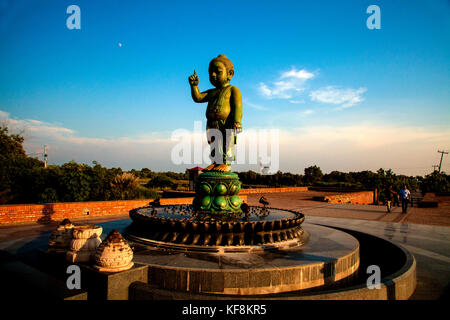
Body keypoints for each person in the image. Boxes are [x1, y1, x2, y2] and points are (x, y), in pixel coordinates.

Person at [188, 55, 243, 172]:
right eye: (210, 73)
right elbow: (198, 97)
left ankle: (226, 164)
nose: (213, 75)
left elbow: (237, 107)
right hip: (211, 123)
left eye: (217, 72)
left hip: (227, 123)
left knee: (227, 143)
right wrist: (194, 86)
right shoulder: (211, 92)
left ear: (230, 74)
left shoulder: (233, 90)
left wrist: (237, 121)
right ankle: (215, 163)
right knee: (214, 144)